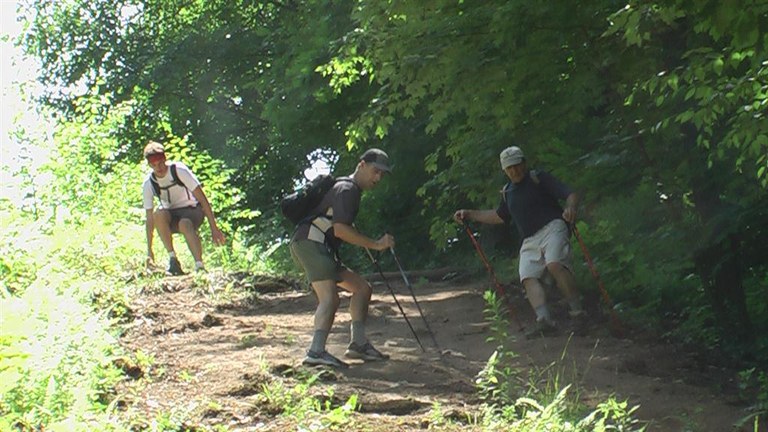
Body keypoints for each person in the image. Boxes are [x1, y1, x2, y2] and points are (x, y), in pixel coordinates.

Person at [453, 146, 585, 338]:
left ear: (524, 162)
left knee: (555, 264)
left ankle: (578, 313)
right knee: (527, 276)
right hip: (529, 239)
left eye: (516, 165)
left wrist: (571, 208)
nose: (514, 171)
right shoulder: (508, 192)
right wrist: (470, 214)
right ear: (504, 170)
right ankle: (544, 320)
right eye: (509, 168)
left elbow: (569, 194)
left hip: (553, 226)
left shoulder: (538, 178)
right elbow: (499, 216)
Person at [289, 148, 396, 368]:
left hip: (318, 245)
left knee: (362, 288)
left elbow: (339, 226)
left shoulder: (348, 188)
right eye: (376, 171)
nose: (378, 178)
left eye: (382, 175)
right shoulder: (347, 189)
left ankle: (358, 344)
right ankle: (316, 351)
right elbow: (340, 230)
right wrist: (375, 244)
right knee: (330, 298)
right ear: (362, 165)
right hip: (311, 243)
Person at [142, 141, 226, 275]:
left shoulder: (179, 170)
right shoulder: (149, 183)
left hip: (192, 211)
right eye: (154, 165)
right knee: (158, 215)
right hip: (171, 215)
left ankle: (199, 265)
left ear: (165, 159)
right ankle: (173, 260)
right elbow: (149, 218)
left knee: (185, 223)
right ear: (149, 165)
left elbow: (203, 199)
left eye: (161, 163)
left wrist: (214, 228)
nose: (159, 168)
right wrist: (149, 249)